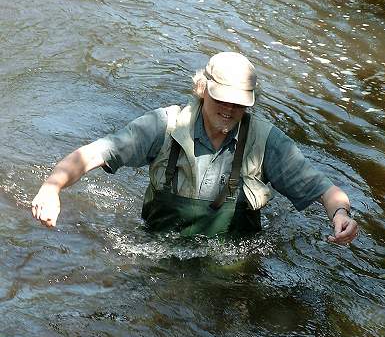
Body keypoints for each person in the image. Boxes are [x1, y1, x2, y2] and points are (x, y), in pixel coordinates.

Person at [32, 51, 358, 243]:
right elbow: (91, 153)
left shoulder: (266, 141)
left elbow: (325, 190)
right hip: (157, 249)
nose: (229, 109)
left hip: (234, 264)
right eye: (221, 99)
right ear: (202, 89)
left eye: (239, 103)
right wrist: (51, 188)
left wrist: (340, 215)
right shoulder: (163, 125)